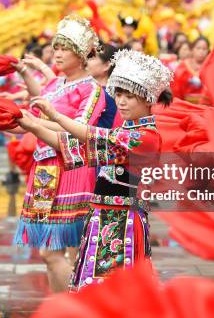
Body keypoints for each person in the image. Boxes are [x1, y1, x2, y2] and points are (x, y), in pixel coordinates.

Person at [18, 49, 173, 291]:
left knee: (114, 291)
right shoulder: (127, 132)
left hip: (123, 223)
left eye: (129, 96)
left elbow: (92, 135)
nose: (121, 101)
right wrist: (33, 126)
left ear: (148, 99)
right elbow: (72, 145)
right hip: (102, 217)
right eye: (118, 94)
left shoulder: (145, 137)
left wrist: (55, 116)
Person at [12, 15, 106, 293]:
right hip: (44, 170)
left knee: (61, 252)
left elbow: (81, 130)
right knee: (50, 255)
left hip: (70, 169)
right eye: (56, 47)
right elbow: (32, 119)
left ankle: (76, 306)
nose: (58, 52)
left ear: (80, 54)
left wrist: (36, 121)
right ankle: (62, 307)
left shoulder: (92, 89)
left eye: (64, 48)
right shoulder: (56, 85)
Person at [171, 36, 210, 104]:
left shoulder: (211, 67)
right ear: (192, 49)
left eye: (204, 49)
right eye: (198, 48)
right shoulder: (183, 66)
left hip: (206, 107)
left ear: (208, 51)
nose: (201, 51)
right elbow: (176, 90)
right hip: (185, 106)